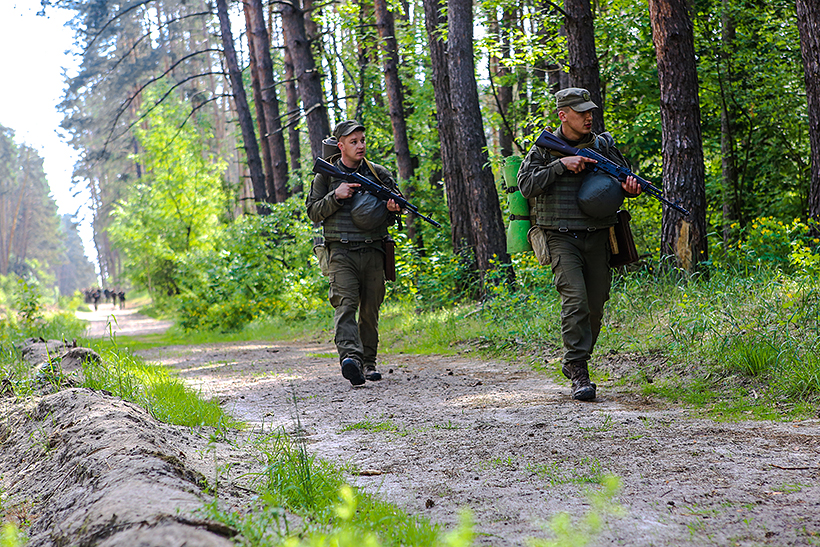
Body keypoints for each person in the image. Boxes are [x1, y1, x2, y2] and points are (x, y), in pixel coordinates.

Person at [517, 88, 642, 401]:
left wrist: (630, 188)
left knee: (595, 306)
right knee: (575, 300)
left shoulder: (603, 146)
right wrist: (561, 166)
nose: (588, 117)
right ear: (563, 115)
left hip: (599, 236)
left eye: (590, 111)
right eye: (581, 112)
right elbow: (526, 186)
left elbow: (621, 180)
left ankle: (576, 359)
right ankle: (578, 369)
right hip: (560, 236)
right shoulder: (544, 148)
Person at [306, 120, 402, 386]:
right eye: (353, 142)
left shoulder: (378, 174)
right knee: (345, 305)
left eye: (362, 140)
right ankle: (351, 359)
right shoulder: (326, 176)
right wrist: (336, 196)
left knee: (370, 310)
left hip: (373, 249)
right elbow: (313, 212)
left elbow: (395, 208)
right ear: (341, 146)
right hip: (340, 251)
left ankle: (368, 363)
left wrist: (393, 209)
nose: (360, 146)